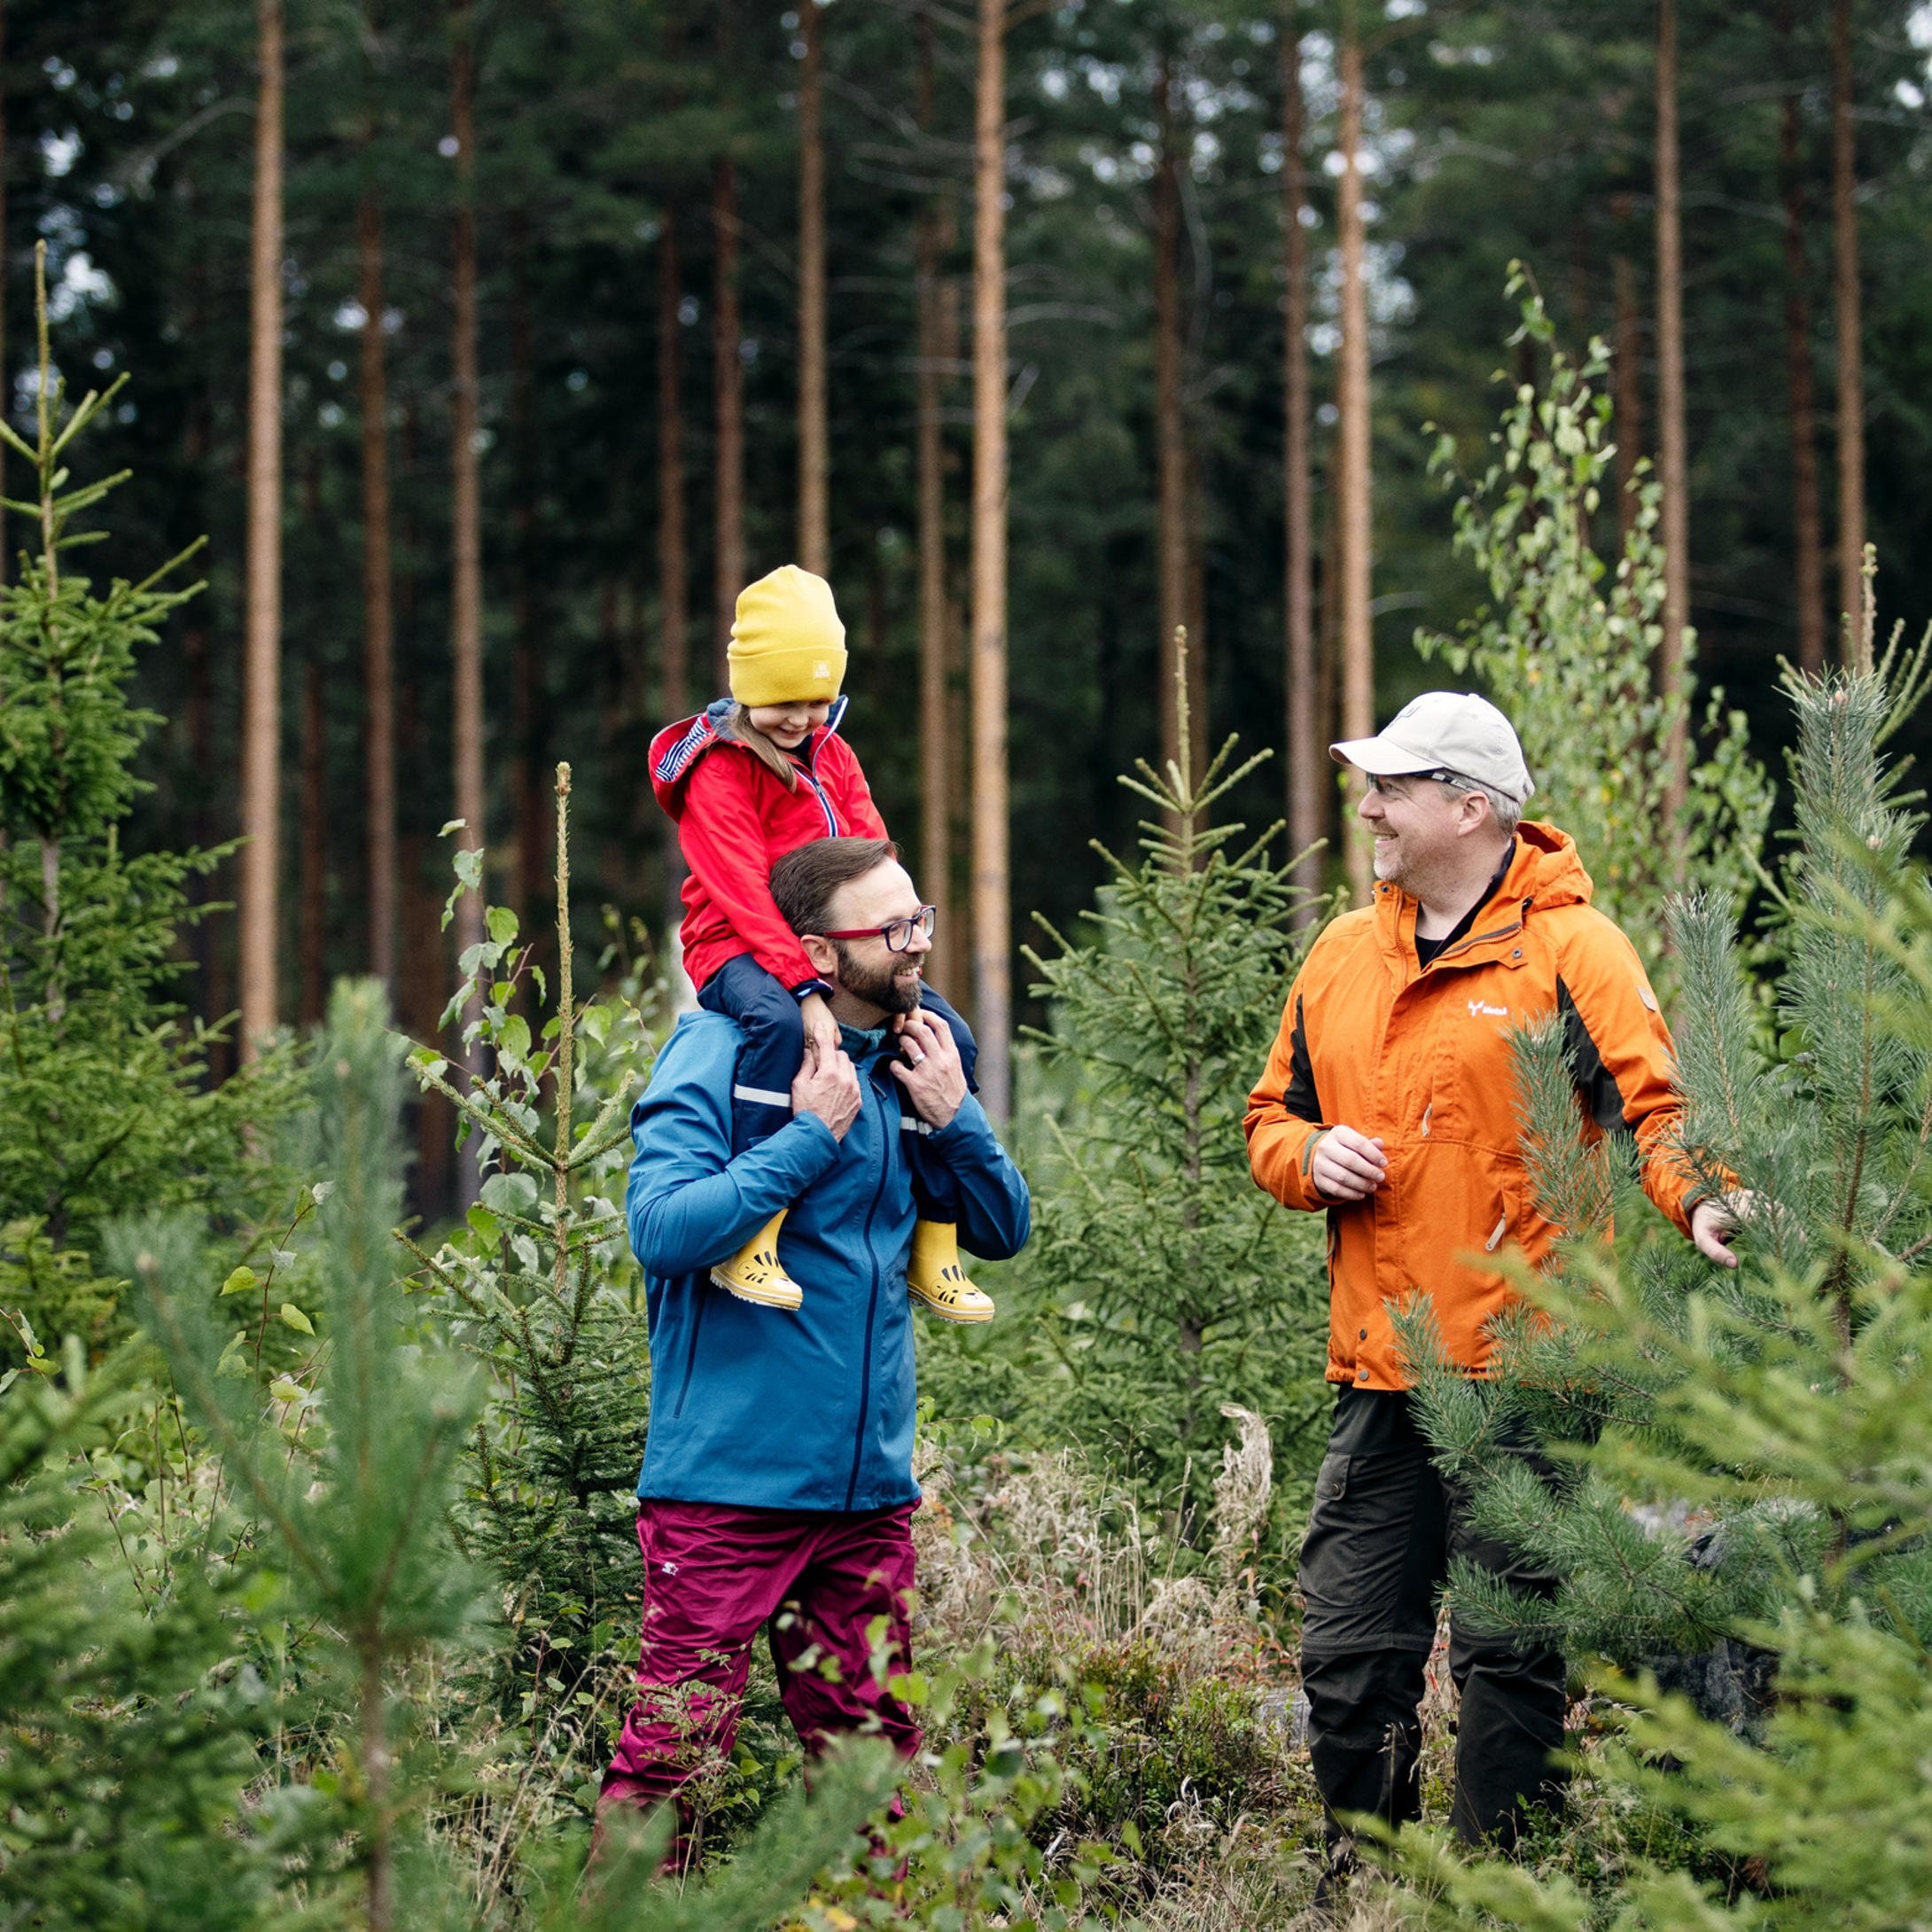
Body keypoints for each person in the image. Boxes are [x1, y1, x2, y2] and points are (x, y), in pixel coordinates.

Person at [1243, 691, 1741, 1896]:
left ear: (1472, 807)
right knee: (1350, 1648)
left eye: (1393, 787)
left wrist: (1706, 1198)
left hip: (1528, 1368)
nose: (1366, 805)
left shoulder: (1578, 950)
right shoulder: (1340, 954)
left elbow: (1660, 1110)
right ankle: (1359, 1884)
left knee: (1510, 1652)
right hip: (1382, 1364)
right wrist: (1310, 1159)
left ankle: (1492, 1892)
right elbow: (1270, 1119)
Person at [598, 836, 1030, 1865]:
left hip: (866, 1500)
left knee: (872, 1764)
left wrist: (956, 1116)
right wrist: (806, 1136)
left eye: (919, 917)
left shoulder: (910, 1059)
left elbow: (1003, 1229)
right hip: (726, 1492)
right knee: (673, 1755)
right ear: (817, 954)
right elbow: (661, 1230)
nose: (917, 942)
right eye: (891, 929)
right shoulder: (721, 1054)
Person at [650, 563, 993, 1324]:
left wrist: (894, 944)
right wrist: (803, 992)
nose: (802, 719)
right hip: (736, 946)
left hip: (833, 946)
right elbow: (739, 890)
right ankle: (754, 1236)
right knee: (774, 1030)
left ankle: (933, 1244)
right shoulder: (719, 768)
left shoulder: (832, 754)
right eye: (783, 702)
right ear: (746, 688)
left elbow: (873, 847)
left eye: (816, 700)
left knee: (951, 1041)